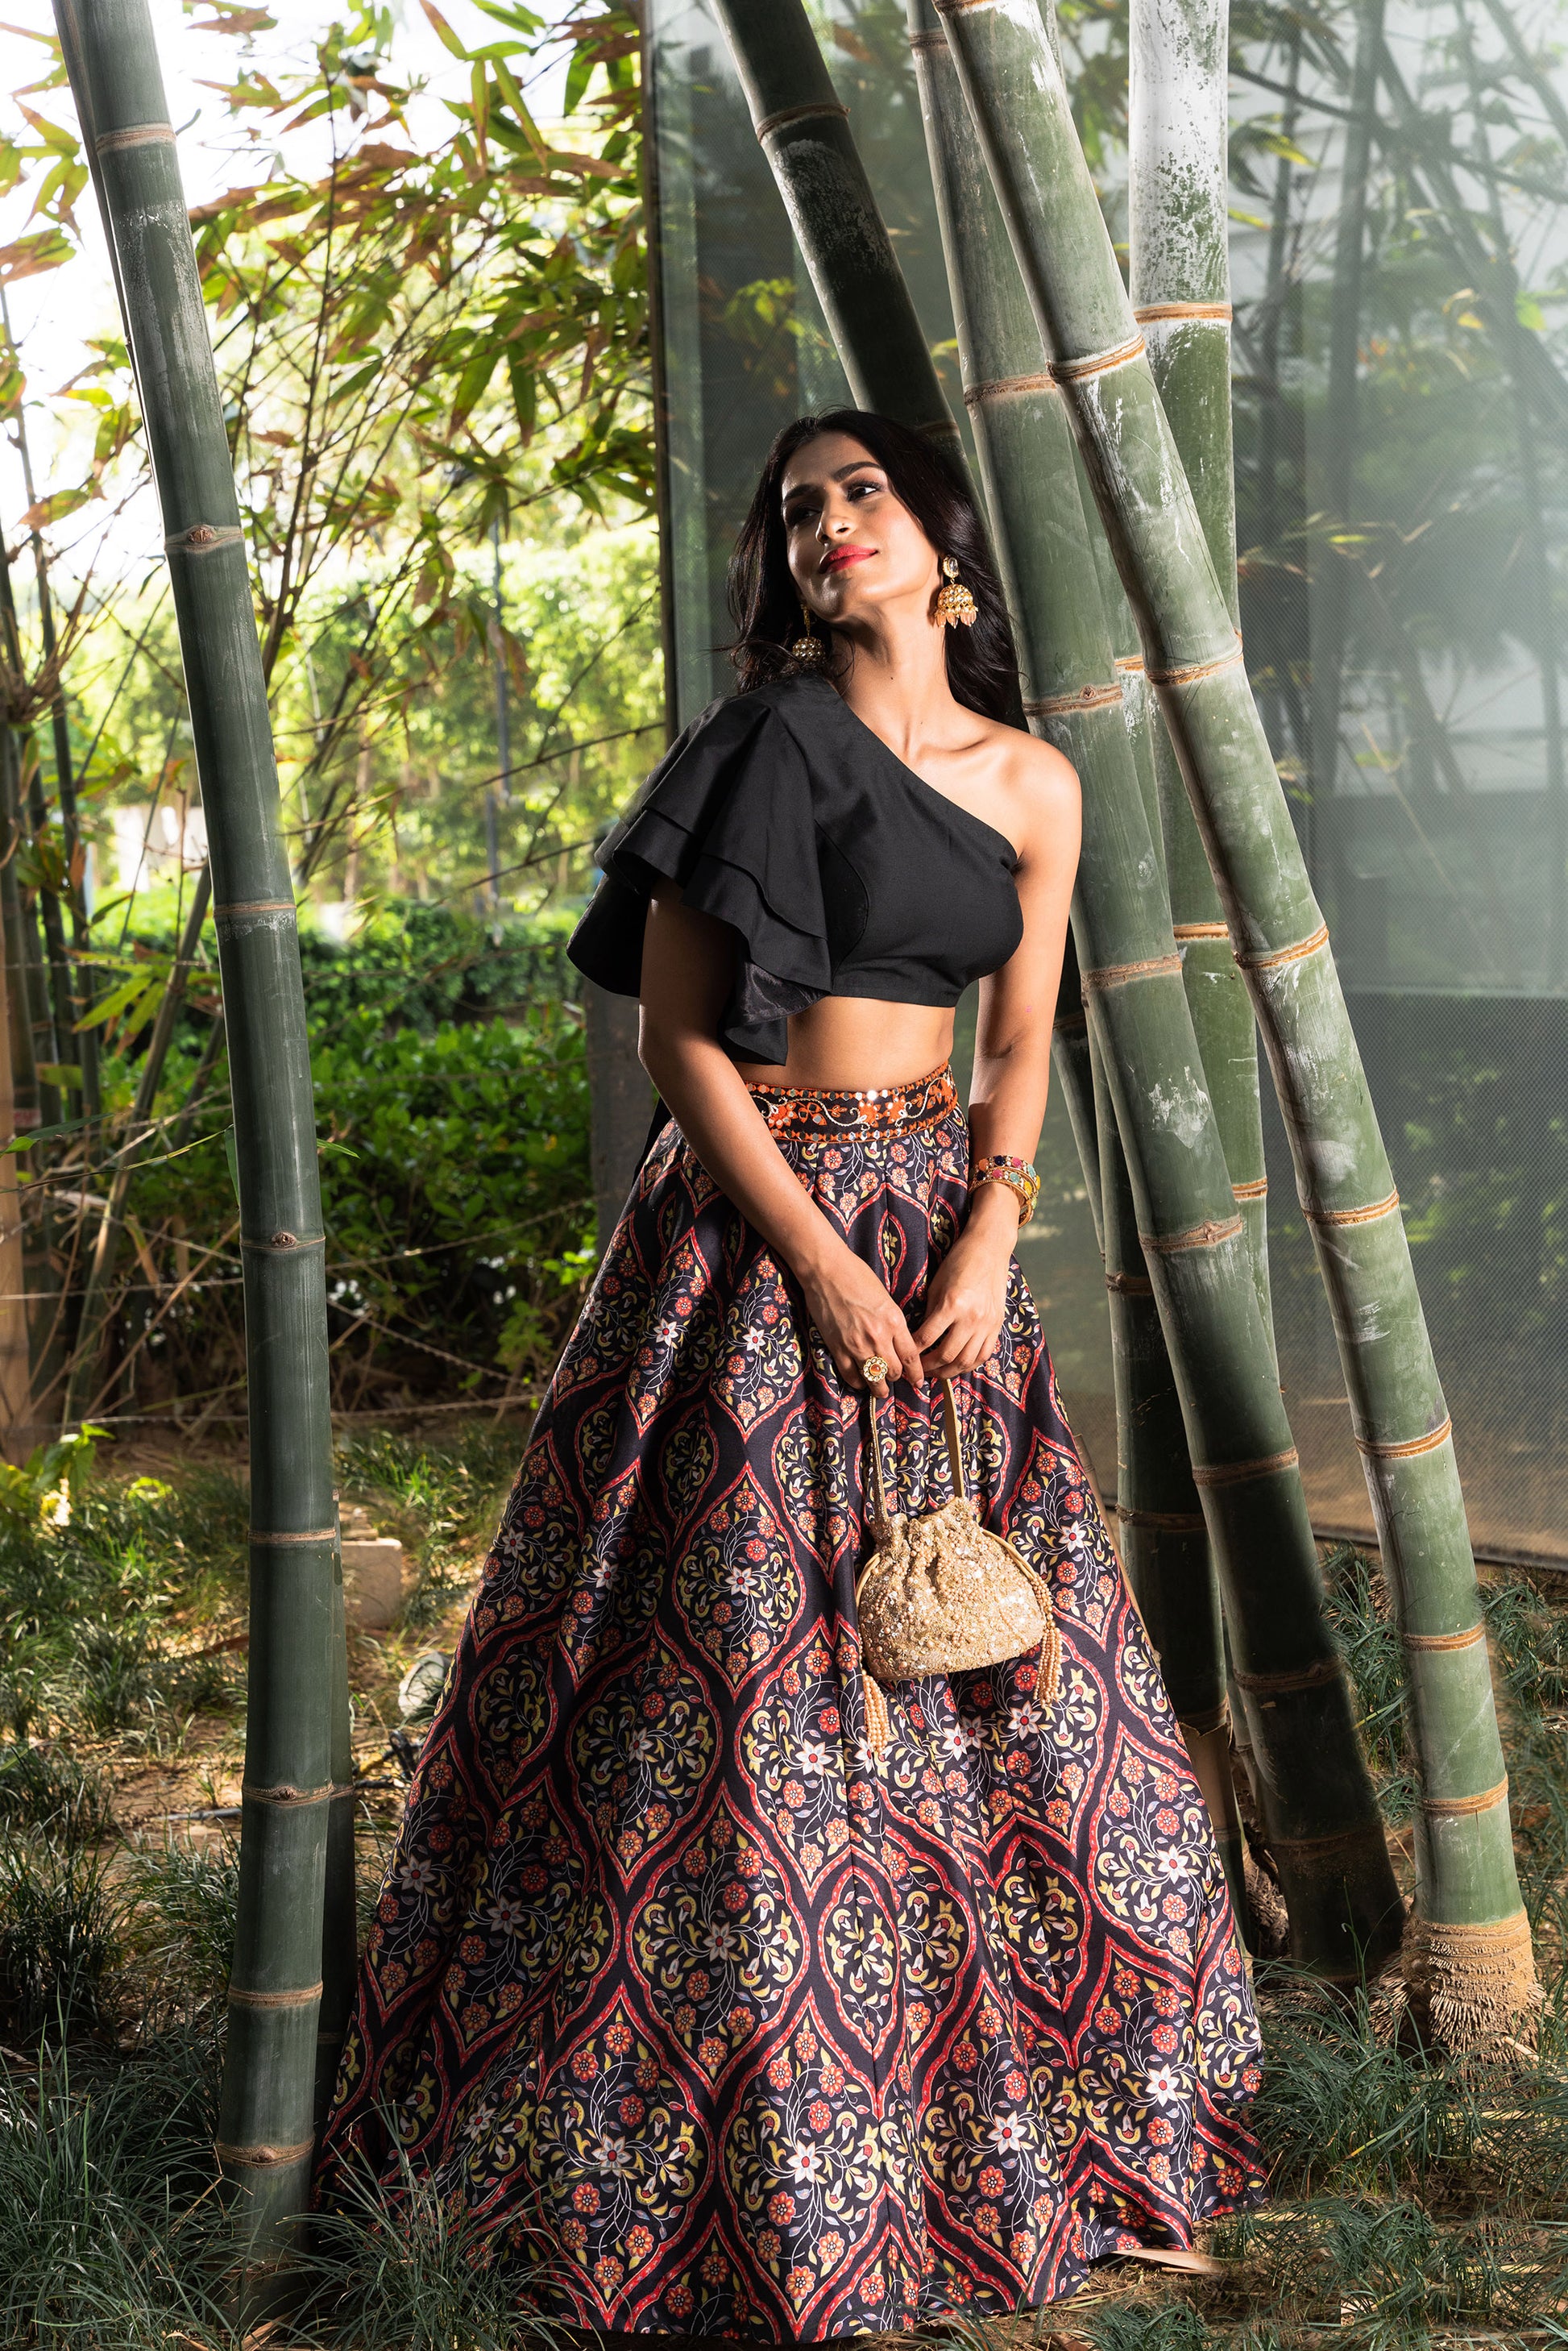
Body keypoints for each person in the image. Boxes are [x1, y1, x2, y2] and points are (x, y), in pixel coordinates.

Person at [317, 409, 1264, 2337]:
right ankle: (727, 2164)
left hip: (941, 1239)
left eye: (862, 493)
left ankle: (1027, 2137)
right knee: (740, 1673)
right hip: (756, 1233)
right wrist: (819, 1257)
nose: (828, 522)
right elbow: (679, 1039)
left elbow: (1019, 1042)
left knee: (994, 1660)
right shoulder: (761, 744)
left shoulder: (1034, 781)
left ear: (942, 537)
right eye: (799, 507)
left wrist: (989, 1232)